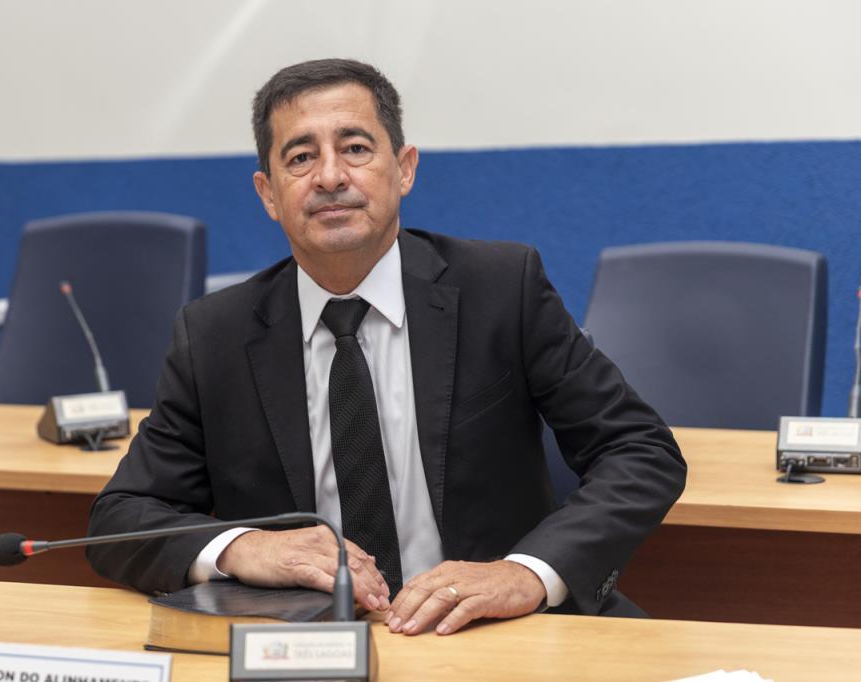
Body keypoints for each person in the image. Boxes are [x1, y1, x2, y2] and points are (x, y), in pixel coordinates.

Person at [87, 58, 686, 636]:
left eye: (355, 148)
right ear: (268, 194)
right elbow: (122, 514)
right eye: (301, 157)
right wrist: (244, 546)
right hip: (309, 644)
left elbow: (639, 450)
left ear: (403, 169)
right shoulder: (215, 334)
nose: (329, 177)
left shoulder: (502, 289)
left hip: (494, 632)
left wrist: (526, 573)